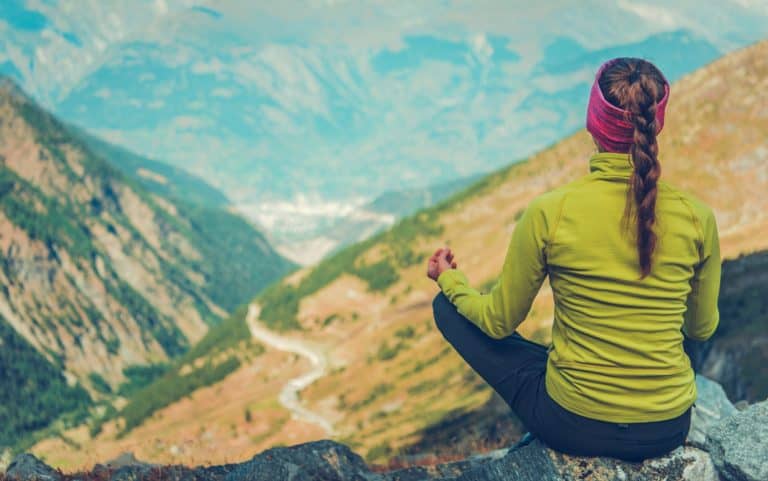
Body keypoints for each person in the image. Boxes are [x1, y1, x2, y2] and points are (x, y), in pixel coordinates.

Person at [427, 57, 721, 462]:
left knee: (449, 310)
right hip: (666, 427)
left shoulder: (552, 211)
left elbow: (498, 322)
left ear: (593, 122)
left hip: (572, 424)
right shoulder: (698, 217)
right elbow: (701, 328)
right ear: (657, 124)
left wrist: (450, 281)